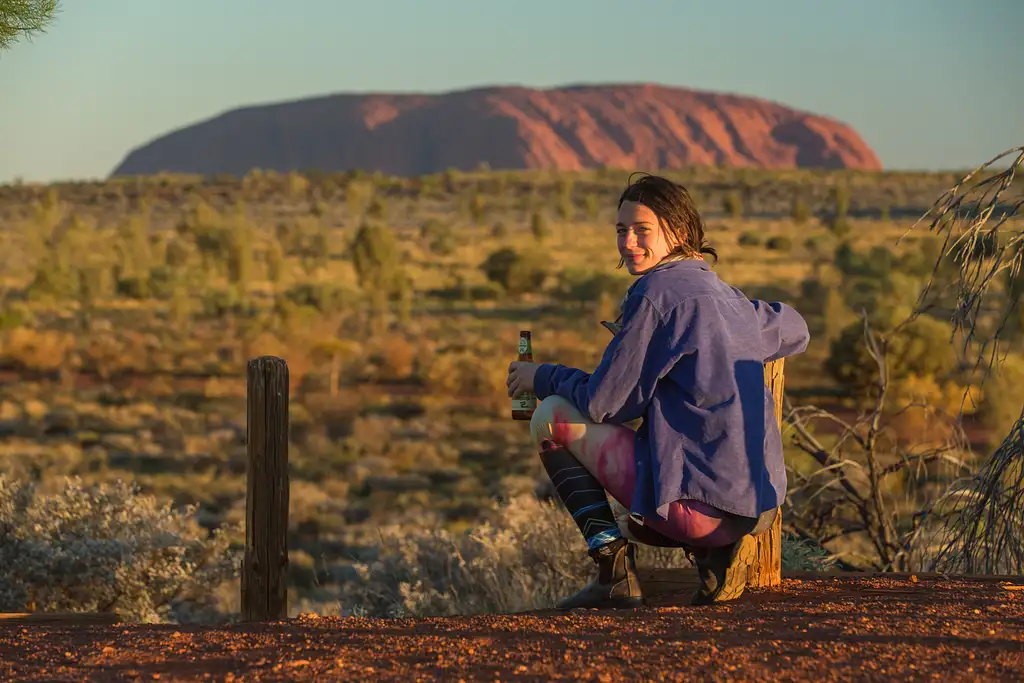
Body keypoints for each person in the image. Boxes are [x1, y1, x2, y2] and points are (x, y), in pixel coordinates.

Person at [506, 173, 810, 609]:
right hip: (753, 511)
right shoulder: (728, 297)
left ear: (679, 233)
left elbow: (603, 405)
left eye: (641, 230)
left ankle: (613, 573)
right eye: (620, 230)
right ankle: (713, 552)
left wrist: (542, 377)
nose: (628, 242)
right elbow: (796, 328)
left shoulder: (656, 295)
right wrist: (739, 328)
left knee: (550, 415)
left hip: (696, 514)